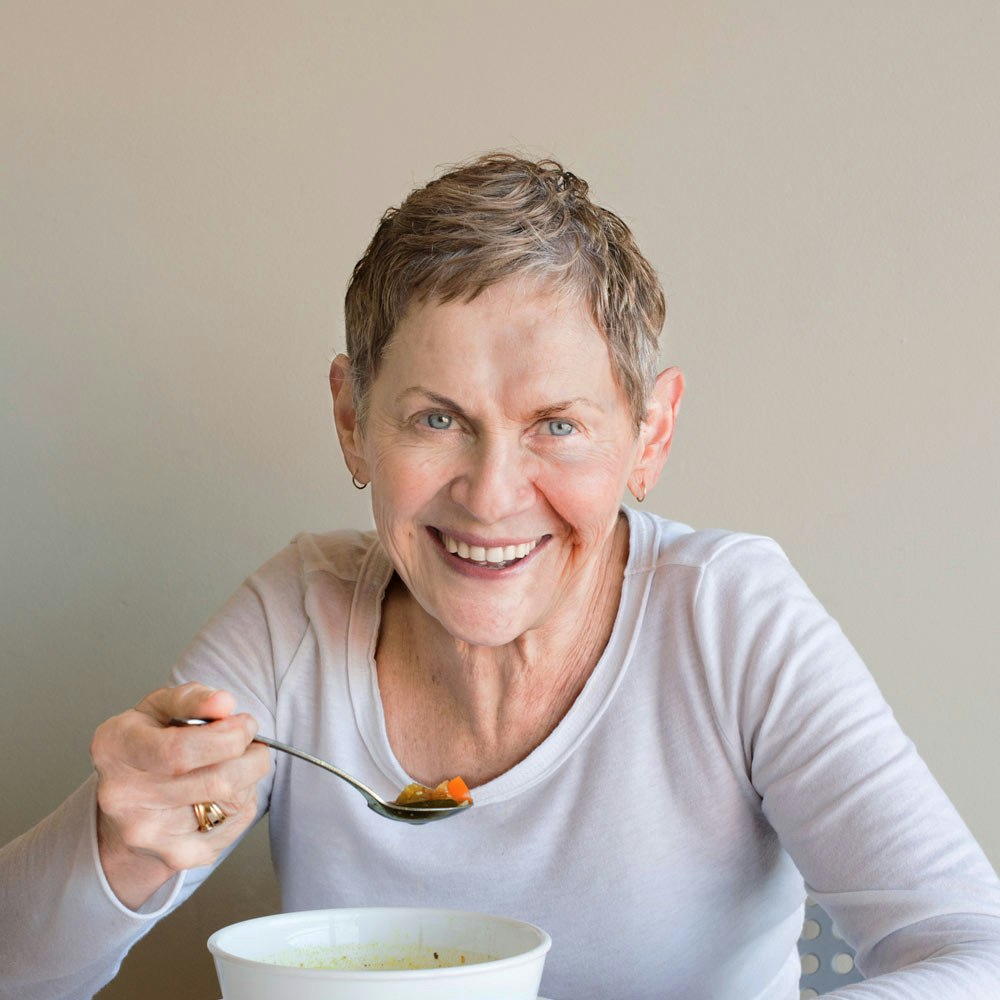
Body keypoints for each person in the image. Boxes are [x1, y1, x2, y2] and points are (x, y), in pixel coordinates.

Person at [3, 153, 1000, 1000]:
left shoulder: (727, 615)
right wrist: (122, 843)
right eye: (437, 418)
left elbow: (973, 949)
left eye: (555, 426)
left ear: (647, 436)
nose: (489, 497)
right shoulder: (293, 619)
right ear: (354, 421)